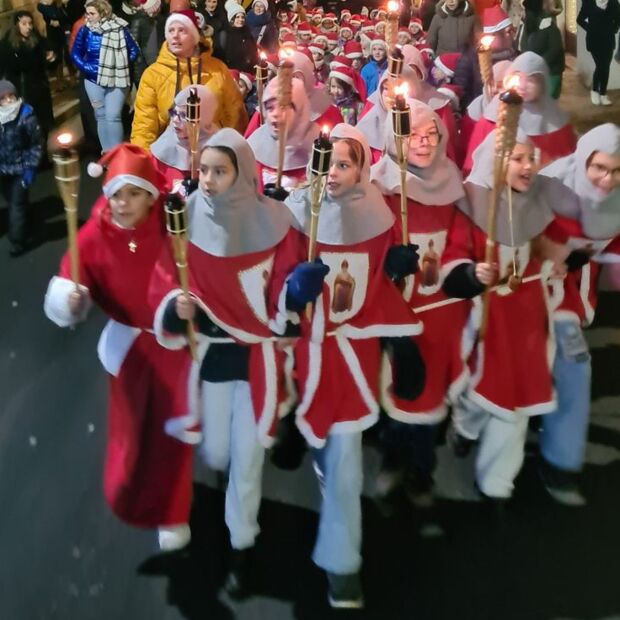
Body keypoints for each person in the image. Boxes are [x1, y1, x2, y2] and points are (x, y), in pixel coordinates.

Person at [150, 128, 304, 598]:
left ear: (242, 174)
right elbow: (166, 278)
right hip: (211, 359)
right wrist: (175, 309)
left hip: (255, 361)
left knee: (247, 461)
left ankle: (242, 545)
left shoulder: (275, 223)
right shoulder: (186, 223)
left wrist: (291, 297)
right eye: (205, 172)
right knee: (216, 451)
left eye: (221, 171)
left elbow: (283, 285)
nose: (210, 181)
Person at [279, 123, 423, 608]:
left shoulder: (380, 217)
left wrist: (399, 269)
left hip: (351, 358)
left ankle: (342, 563)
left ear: (362, 169)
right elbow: (272, 288)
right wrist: (291, 290)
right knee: (325, 452)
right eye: (329, 163)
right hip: (302, 354)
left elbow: (384, 293)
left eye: (346, 164)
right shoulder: (296, 215)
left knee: (344, 463)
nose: (335, 172)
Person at [43, 144, 194, 551]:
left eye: (133, 194)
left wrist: (188, 303)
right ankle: (132, 488)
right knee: (130, 427)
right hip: (128, 352)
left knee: (172, 433)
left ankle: (171, 511)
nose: (122, 203)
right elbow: (71, 278)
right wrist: (71, 299)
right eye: (115, 194)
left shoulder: (173, 227)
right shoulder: (94, 233)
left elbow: (195, 270)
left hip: (173, 347)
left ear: (151, 195)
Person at [442, 131, 567, 507]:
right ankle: (465, 426)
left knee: (519, 401)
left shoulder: (537, 205)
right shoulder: (472, 206)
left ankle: (497, 480)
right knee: (484, 388)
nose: (528, 166)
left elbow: (546, 247)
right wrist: (469, 273)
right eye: (517, 159)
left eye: (531, 158)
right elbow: (455, 256)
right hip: (489, 317)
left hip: (527, 316)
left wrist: (554, 264)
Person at [369, 100, 470, 512]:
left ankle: (422, 469)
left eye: (431, 135)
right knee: (397, 385)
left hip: (440, 309)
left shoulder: (452, 184)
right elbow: (369, 243)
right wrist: (390, 262)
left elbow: (461, 239)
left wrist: (460, 271)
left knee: (430, 395)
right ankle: (393, 456)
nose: (424, 143)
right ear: (396, 139)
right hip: (396, 308)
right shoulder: (379, 187)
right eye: (413, 135)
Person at [536, 124, 620, 504]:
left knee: (574, 363)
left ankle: (560, 461)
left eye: (617, 171)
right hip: (521, 287)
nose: (607, 180)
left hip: (567, 294)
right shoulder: (548, 185)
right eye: (599, 167)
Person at [131, 0, 247, 149]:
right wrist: (144, 162)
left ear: (194, 36)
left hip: (211, 153)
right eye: (171, 30)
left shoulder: (218, 70)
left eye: (182, 30)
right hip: (169, 156)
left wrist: (231, 152)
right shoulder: (153, 75)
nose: (175, 36)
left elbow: (234, 114)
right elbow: (143, 126)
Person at [463, 52, 577, 173]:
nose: (522, 86)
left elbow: (566, 166)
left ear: (542, 83)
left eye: (531, 80)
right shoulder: (492, 117)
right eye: (517, 78)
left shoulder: (556, 121)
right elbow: (476, 164)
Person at [71, 0, 140, 152]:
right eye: (87, 13)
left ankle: (117, 154)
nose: (88, 17)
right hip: (93, 80)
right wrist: (87, 67)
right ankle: (107, 153)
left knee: (113, 116)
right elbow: (75, 52)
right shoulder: (85, 30)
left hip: (117, 79)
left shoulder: (119, 28)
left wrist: (119, 65)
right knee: (101, 115)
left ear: (102, 13)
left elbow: (134, 50)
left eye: (92, 13)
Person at [247, 77, 319, 192]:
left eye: (283, 107)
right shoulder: (255, 146)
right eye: (270, 108)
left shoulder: (318, 147)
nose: (275, 114)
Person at [0, 11, 54, 152]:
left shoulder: (38, 41)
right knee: (24, 125)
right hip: (20, 90)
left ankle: (41, 156)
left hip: (39, 88)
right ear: (16, 25)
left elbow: (48, 64)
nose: (28, 27)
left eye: (30, 23)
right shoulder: (7, 45)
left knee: (42, 124)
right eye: (24, 24)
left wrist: (51, 59)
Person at [0, 80, 42, 257]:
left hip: (21, 169)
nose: (8, 101)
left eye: (11, 96)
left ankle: (17, 242)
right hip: (3, 170)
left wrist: (30, 168)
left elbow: (36, 143)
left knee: (16, 205)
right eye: (3, 98)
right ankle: (27, 222)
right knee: (13, 202)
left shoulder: (26, 115)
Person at [150, 84, 220, 189]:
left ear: (204, 117)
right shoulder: (162, 150)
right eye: (173, 113)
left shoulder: (219, 150)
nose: (175, 120)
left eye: (183, 115)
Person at [577, 0, 620, 106]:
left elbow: (618, 19)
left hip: (608, 40)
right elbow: (580, 19)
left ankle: (603, 93)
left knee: (605, 67)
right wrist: (591, 29)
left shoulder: (614, 2)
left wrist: (613, 29)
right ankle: (595, 91)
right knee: (601, 66)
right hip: (594, 40)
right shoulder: (589, 2)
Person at [520, 0, 565, 99]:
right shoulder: (526, 25)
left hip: (551, 72)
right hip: (534, 72)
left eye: (526, 10)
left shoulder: (549, 25)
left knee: (548, 100)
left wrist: (538, 62)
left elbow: (555, 48)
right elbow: (522, 46)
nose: (523, 12)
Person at [129, 0, 167, 86]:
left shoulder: (157, 21)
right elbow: (134, 45)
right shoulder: (141, 20)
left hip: (150, 66)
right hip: (143, 67)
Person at [215, 4, 259, 73]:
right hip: (230, 74)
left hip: (246, 75)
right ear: (232, 19)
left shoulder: (247, 33)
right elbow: (219, 56)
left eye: (242, 17)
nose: (241, 19)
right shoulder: (224, 34)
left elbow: (254, 54)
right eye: (237, 17)